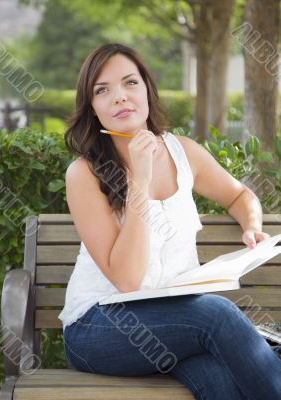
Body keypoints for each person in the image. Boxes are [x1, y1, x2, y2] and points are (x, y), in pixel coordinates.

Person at [59, 43, 281, 399]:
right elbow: (128, 280)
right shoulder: (83, 174)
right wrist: (140, 183)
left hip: (175, 324)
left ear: (147, 89)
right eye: (102, 90)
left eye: (130, 83)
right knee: (217, 314)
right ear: (92, 108)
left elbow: (240, 195)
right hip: (99, 327)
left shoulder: (183, 152)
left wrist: (251, 225)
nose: (119, 97)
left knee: (222, 384)